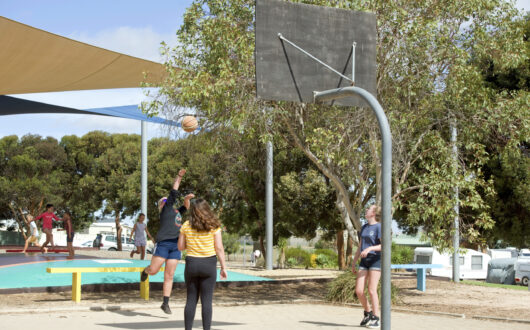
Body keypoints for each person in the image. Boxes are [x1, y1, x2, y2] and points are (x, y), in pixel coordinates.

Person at [141, 169, 194, 314]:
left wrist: (187, 200)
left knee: (169, 275)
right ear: (161, 205)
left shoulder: (176, 212)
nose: (167, 201)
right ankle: (145, 270)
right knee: (153, 270)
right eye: (164, 200)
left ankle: (165, 303)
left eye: (167, 200)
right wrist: (179, 176)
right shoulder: (165, 210)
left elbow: (185, 207)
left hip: (175, 245)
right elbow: (174, 190)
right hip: (163, 243)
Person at [178, 198, 227, 330]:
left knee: (191, 300)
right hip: (209, 264)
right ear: (206, 209)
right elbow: (219, 248)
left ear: (193, 211)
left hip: (192, 264)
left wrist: (192, 241)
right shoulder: (214, 226)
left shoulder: (186, 225)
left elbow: (181, 247)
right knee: (207, 302)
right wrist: (223, 267)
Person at [352, 204, 382, 329]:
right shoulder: (364, 227)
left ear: (374, 213)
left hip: (375, 259)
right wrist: (354, 262)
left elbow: (383, 246)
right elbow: (360, 246)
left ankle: (376, 317)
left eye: (368, 208)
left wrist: (370, 248)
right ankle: (368, 313)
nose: (366, 209)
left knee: (371, 290)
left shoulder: (379, 227)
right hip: (364, 261)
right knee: (359, 290)